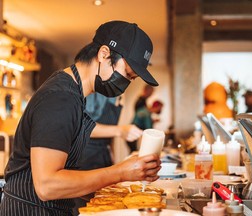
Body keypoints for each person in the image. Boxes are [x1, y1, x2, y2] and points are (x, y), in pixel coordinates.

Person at [0, 20, 161, 216]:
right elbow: (47, 186)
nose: (126, 83)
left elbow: (66, 176)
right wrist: (120, 172)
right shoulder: (60, 98)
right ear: (103, 54)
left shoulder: (74, 95)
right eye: (127, 74)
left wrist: (116, 187)